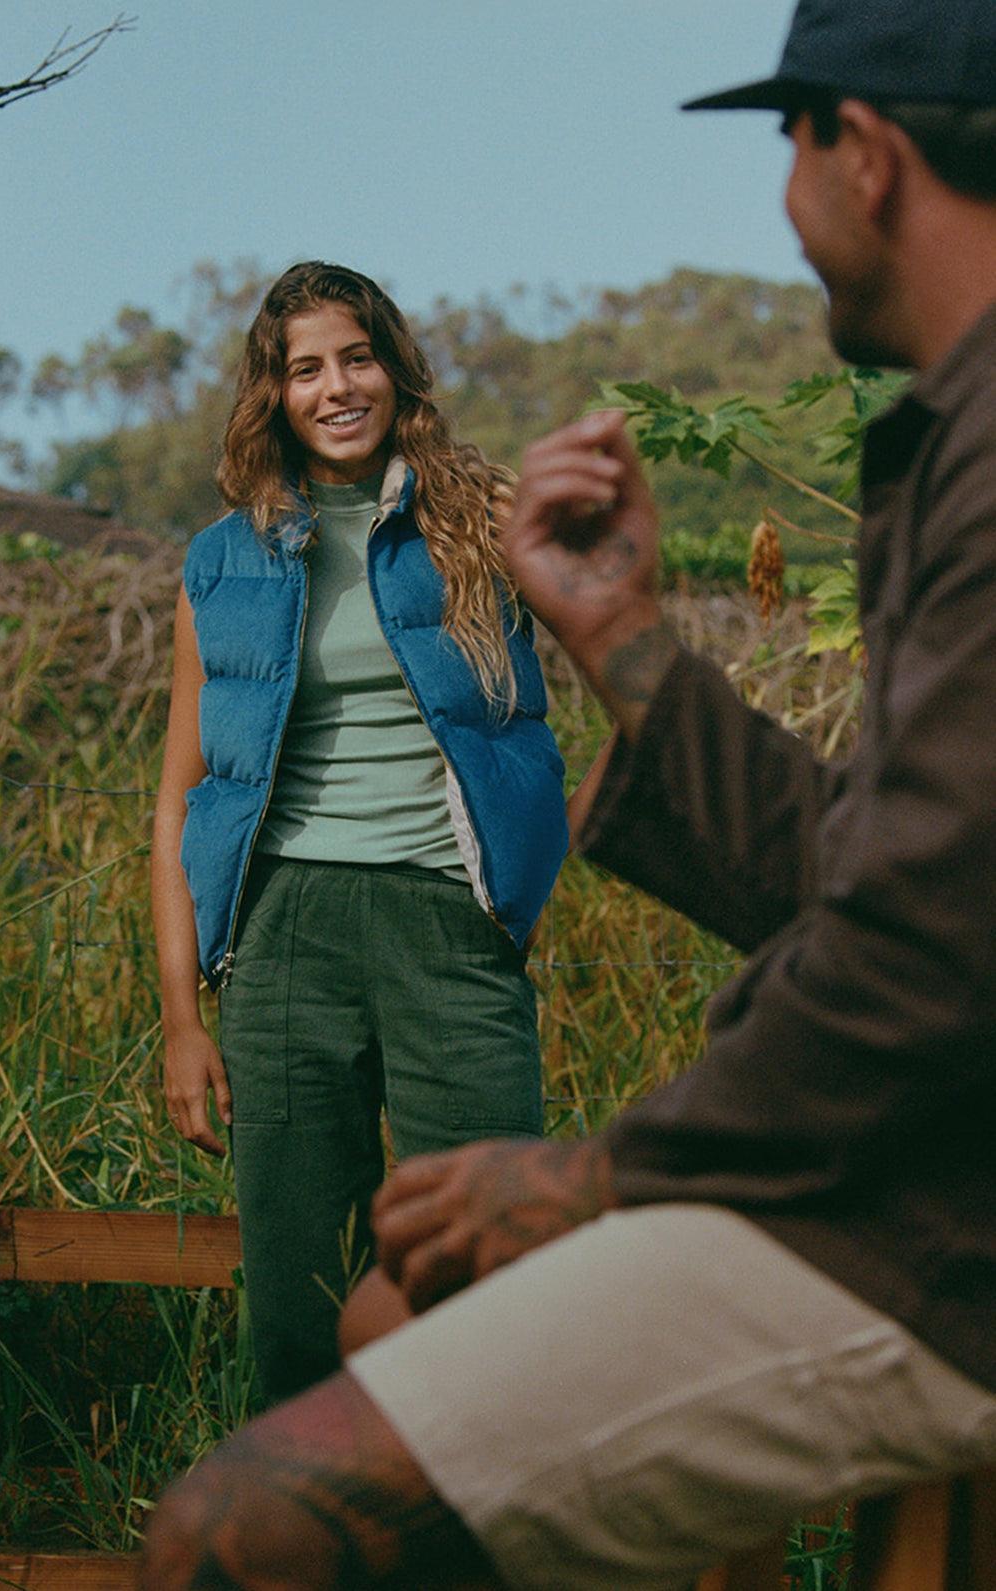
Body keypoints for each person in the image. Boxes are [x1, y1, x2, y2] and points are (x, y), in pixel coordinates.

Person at [140, 1, 996, 1585]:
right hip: (900, 1175)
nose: (785, 212)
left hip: (937, 1228)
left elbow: (926, 953)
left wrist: (605, 1171)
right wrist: (620, 634)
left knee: (239, 1525)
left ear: (861, 156)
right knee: (369, 1307)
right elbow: (875, 866)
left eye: (784, 147)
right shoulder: (945, 446)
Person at [149, 261, 569, 1402]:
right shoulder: (220, 560)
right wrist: (183, 1018)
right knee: (299, 1298)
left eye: (355, 356)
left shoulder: (482, 523)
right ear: (272, 393)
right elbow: (181, 795)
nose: (336, 386)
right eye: (305, 368)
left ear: (392, 366)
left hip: (452, 924)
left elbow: (618, 657)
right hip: (283, 937)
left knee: (483, 1274)